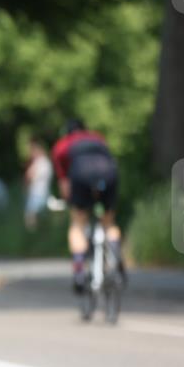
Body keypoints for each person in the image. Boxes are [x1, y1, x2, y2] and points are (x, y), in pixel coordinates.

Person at [51, 118, 123, 293]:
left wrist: (69, 200)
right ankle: (114, 254)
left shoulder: (62, 145)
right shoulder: (97, 138)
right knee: (109, 222)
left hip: (81, 173)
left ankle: (79, 271)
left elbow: (64, 184)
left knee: (78, 223)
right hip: (108, 172)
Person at [24, 138, 53, 230]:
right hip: (42, 192)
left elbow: (28, 176)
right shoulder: (46, 162)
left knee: (31, 216)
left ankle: (34, 234)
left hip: (37, 193)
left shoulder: (40, 162)